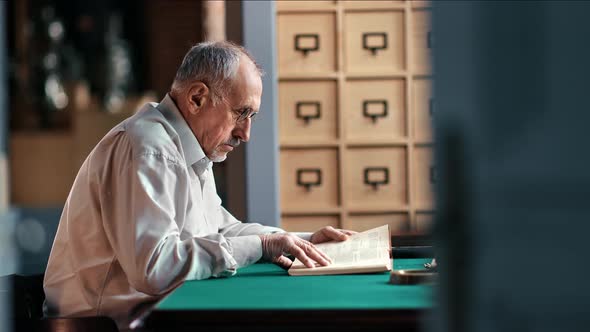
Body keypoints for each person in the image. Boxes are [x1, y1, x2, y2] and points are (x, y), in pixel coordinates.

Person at [43, 41, 355, 330]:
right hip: (107, 325)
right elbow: (154, 268)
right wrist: (262, 246)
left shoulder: (185, 146)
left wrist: (295, 241)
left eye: (252, 117)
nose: (245, 133)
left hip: (152, 315)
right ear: (196, 98)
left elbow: (219, 230)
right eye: (241, 113)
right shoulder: (149, 148)